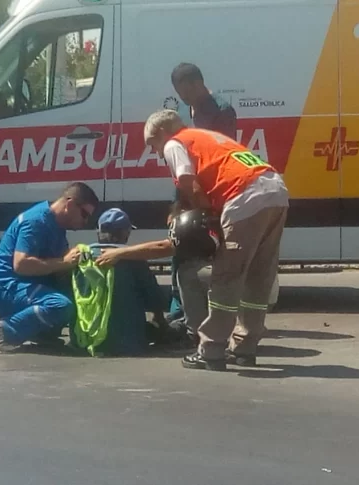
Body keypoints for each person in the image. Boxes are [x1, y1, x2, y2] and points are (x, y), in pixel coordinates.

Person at [97, 109, 289, 371]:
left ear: (162, 134)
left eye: (152, 145)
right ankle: (245, 348)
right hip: (275, 190)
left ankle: (211, 350)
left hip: (244, 196)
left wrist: (209, 219)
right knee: (258, 275)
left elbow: (189, 184)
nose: (154, 152)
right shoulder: (208, 137)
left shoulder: (175, 142)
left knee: (226, 276)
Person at [166, 63, 239, 344]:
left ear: (198, 83)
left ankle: (205, 318)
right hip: (186, 188)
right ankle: (179, 312)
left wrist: (207, 204)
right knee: (177, 244)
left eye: (186, 91)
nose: (184, 98)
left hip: (208, 190)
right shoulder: (184, 112)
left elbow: (223, 154)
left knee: (205, 252)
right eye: (179, 93)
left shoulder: (221, 111)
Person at [0, 182, 99, 354]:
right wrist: (64, 262)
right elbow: (21, 265)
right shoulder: (35, 221)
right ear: (69, 204)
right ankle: (5, 330)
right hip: (5, 288)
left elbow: (57, 266)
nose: (85, 221)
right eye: (84, 214)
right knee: (61, 305)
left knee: (79, 294)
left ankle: (40, 332)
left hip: (27, 285)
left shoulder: (57, 227)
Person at [72, 208, 172, 356]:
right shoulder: (134, 258)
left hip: (84, 340)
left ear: (98, 231)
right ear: (125, 233)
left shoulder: (80, 256)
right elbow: (154, 300)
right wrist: (162, 325)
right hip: (128, 342)